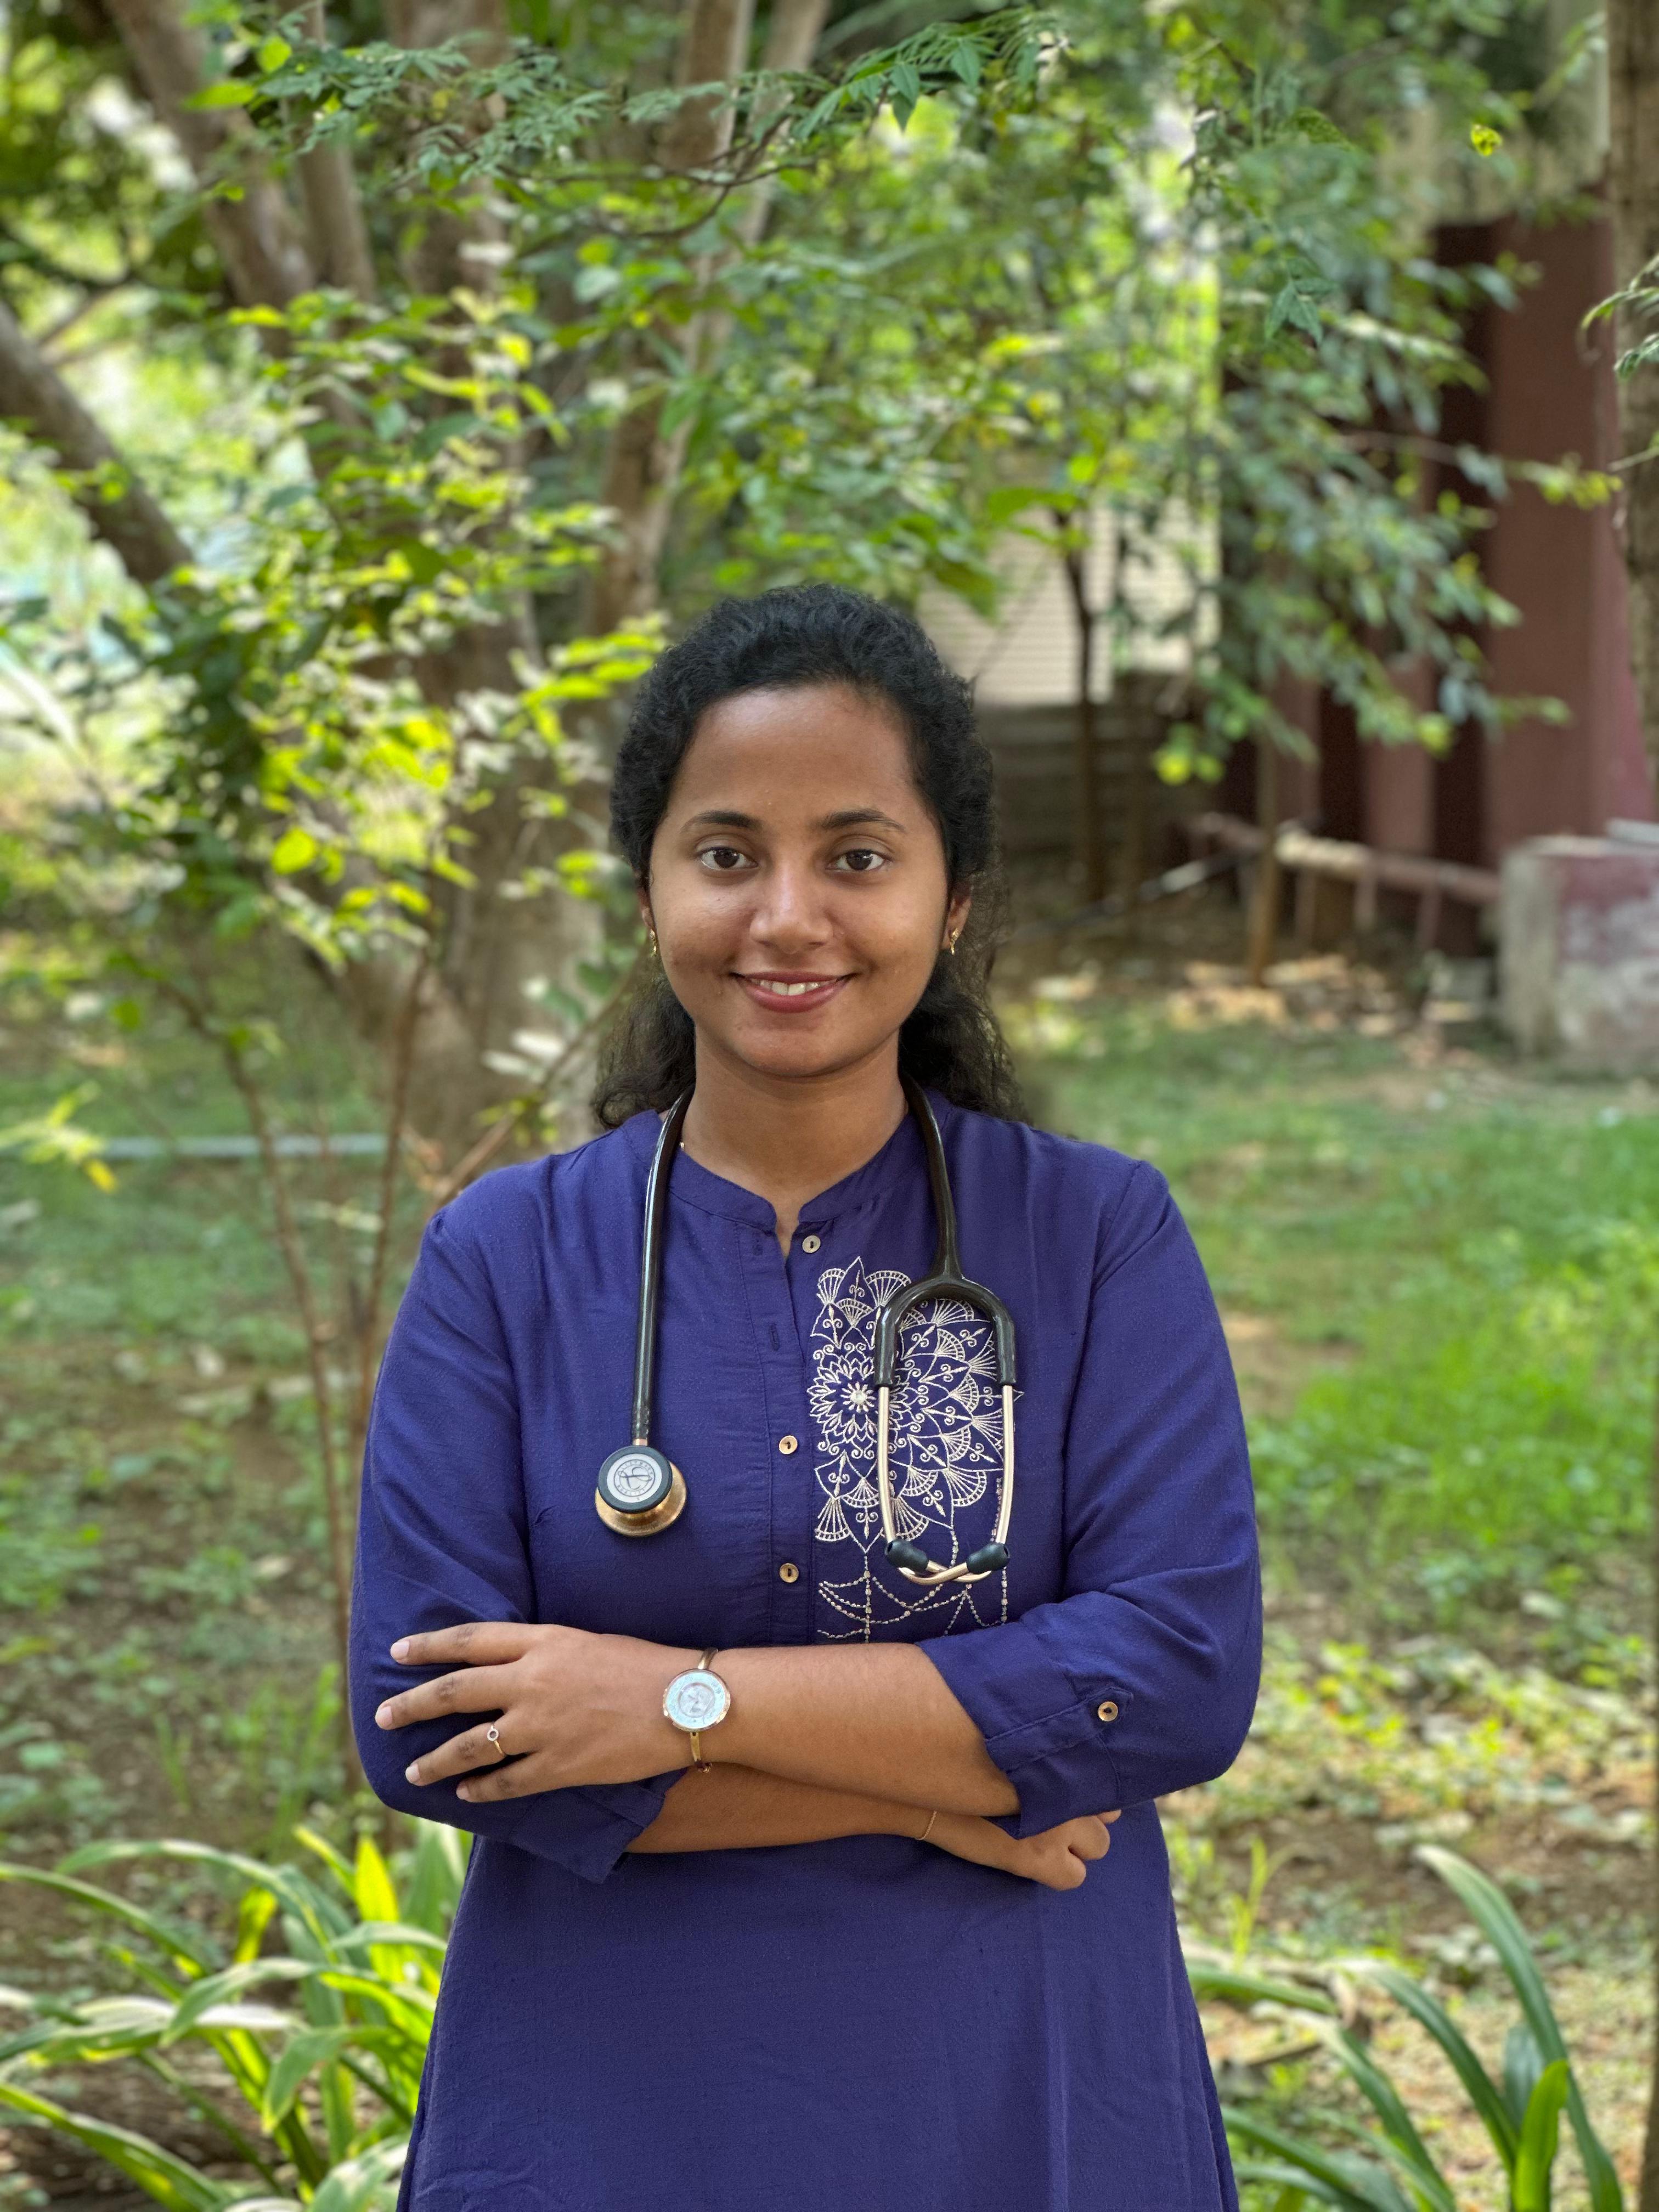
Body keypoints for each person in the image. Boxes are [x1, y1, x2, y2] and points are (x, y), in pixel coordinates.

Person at [349, 583, 1262, 2212]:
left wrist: (675, 1702)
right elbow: (434, 1736)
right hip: (609, 2105)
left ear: (951, 900)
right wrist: (963, 1791)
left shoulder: (1096, 1234)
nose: (787, 917)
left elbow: (1174, 1678)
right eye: (724, 854)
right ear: (649, 893)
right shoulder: (505, 1256)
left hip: (1015, 2088)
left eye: (856, 856)